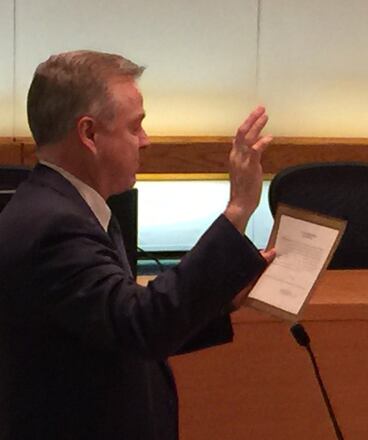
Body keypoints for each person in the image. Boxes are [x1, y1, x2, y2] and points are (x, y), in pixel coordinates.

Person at [0, 50, 276, 439]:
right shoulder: (55, 226)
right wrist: (237, 211)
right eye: (135, 127)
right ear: (89, 134)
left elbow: (114, 331)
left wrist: (223, 299)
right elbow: (140, 326)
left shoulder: (68, 208)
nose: (145, 142)